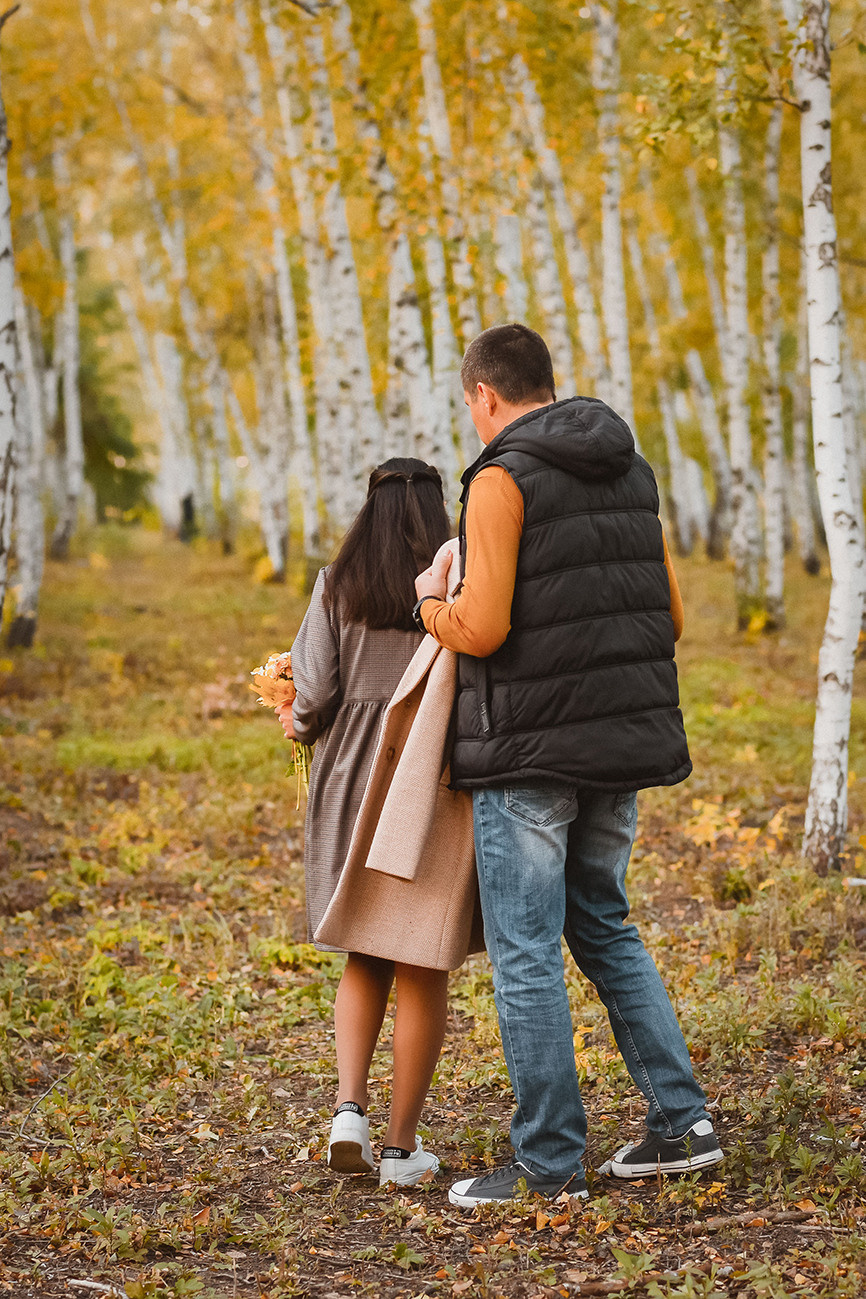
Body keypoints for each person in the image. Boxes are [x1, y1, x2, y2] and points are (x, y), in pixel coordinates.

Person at [413, 324, 723, 1206]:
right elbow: (667, 616)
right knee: (604, 923)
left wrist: (430, 600)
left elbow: (483, 628)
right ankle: (683, 1121)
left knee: (525, 953)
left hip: (528, 755)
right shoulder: (632, 468)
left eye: (468, 404)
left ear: (484, 396)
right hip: (615, 748)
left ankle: (549, 1164)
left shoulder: (501, 477)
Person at [276, 458, 469, 1189]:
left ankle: (347, 1110)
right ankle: (399, 1147)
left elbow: (314, 691)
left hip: (351, 776)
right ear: (436, 512)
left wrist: (292, 718)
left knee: (364, 947)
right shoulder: (454, 584)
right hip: (430, 779)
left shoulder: (336, 581)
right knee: (420, 956)